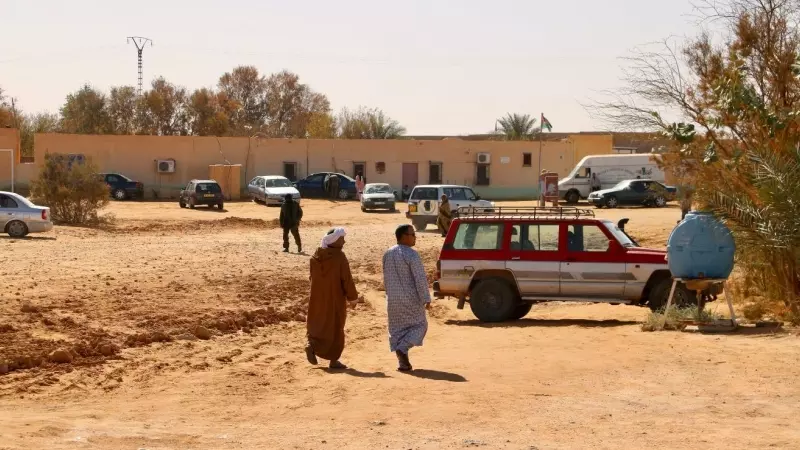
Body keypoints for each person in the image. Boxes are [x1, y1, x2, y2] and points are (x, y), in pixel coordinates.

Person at [305, 227, 359, 370]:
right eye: (342, 239)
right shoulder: (339, 257)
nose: (344, 241)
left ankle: (311, 344)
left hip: (316, 298)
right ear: (335, 241)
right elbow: (346, 279)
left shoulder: (314, 257)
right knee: (335, 327)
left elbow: (312, 278)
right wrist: (353, 298)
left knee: (317, 322)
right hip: (334, 298)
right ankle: (334, 360)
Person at [382, 224, 431, 371]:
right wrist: (426, 298)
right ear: (404, 236)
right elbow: (420, 278)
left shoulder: (387, 253)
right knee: (421, 325)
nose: (415, 237)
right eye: (413, 234)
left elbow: (385, 278)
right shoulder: (412, 254)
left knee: (397, 329)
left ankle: (403, 361)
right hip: (410, 298)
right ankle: (402, 349)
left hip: (393, 300)